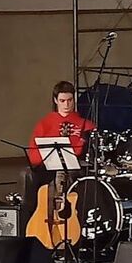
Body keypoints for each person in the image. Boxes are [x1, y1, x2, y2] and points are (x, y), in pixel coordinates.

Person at [22, 81, 96, 224]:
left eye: (70, 100)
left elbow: (89, 152)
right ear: (55, 100)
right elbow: (33, 152)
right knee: (27, 174)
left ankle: (69, 217)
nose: (66, 104)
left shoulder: (86, 124)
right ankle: (28, 219)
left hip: (74, 166)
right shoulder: (44, 123)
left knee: (70, 174)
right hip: (47, 166)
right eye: (62, 101)